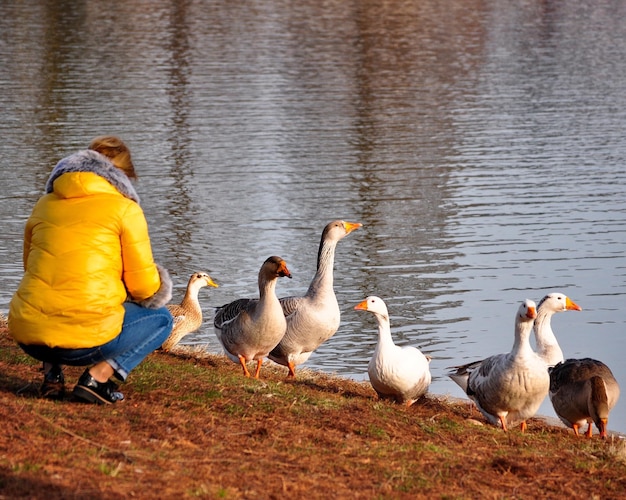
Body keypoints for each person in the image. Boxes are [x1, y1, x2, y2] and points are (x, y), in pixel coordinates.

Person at [8, 136, 174, 404]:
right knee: (162, 319)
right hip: (83, 344)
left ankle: (52, 377)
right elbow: (144, 288)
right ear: (123, 176)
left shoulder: (44, 204)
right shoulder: (125, 209)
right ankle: (97, 379)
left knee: (52, 290)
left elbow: (31, 267)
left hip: (29, 336)